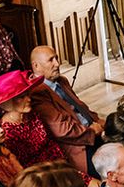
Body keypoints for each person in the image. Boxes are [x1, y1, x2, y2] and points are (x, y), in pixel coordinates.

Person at [0, 71, 95, 187]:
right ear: (9, 102)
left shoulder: (33, 115)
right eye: (22, 97)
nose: (29, 98)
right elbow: (23, 171)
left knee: (100, 186)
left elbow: (52, 143)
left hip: (62, 168)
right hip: (45, 182)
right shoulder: (6, 132)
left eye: (27, 94)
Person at [29, 45, 105, 175]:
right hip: (78, 146)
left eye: (56, 58)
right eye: (51, 60)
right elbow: (61, 130)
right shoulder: (37, 91)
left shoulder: (61, 81)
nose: (57, 64)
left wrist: (98, 120)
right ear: (36, 66)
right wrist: (92, 131)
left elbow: (80, 107)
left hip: (90, 131)